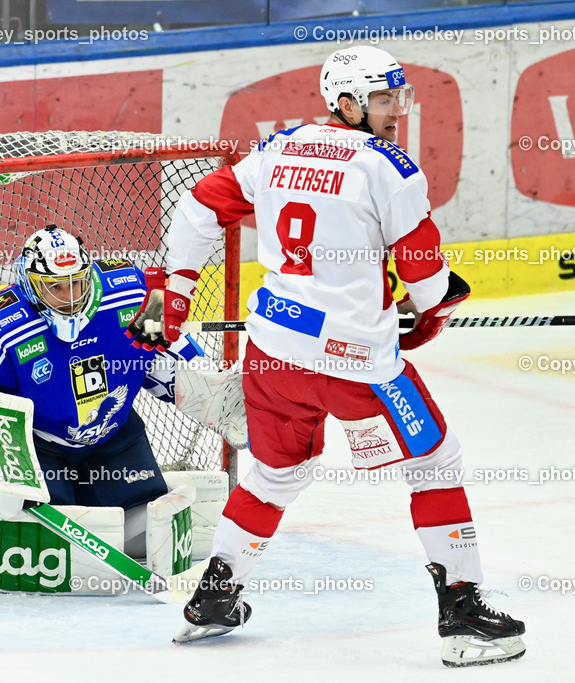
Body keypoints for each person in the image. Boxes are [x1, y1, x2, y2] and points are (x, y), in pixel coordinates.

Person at [134, 46, 525, 666]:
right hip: (358, 368)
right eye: (383, 99)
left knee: (274, 474)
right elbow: (426, 282)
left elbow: (198, 208)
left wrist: (174, 293)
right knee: (435, 462)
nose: (397, 110)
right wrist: (433, 309)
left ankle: (216, 595)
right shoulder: (390, 168)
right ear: (347, 103)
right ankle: (463, 612)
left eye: (400, 96)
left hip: (274, 355)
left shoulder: (277, 148)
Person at [0, 224, 223, 555]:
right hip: (37, 447)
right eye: (55, 288)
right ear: (31, 285)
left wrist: (207, 386)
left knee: (146, 527)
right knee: (43, 540)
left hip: (114, 437)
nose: (70, 297)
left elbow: (162, 351)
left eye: (76, 283)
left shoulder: (129, 292)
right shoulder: (1, 321)